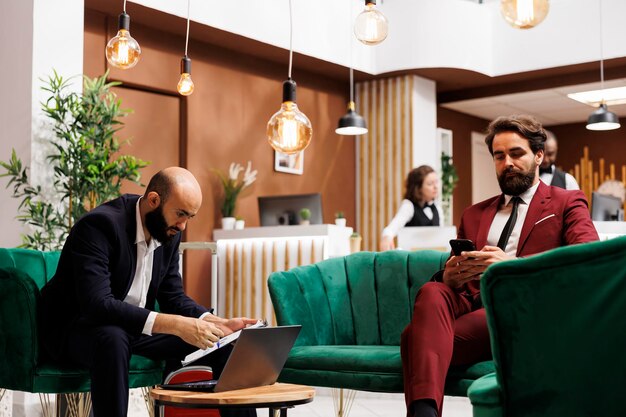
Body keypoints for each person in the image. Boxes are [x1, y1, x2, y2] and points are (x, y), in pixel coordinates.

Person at [401, 116, 599, 417]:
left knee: (413, 337)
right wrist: (450, 276)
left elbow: (586, 258)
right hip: (470, 301)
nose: (507, 162)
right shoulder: (473, 213)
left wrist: (514, 265)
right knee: (432, 289)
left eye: (516, 153)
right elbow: (458, 272)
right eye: (499, 155)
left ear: (538, 155)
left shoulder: (566, 201)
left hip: (524, 309)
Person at [39, 167, 257, 417]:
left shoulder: (169, 231)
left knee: (220, 345)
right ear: (154, 200)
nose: (183, 225)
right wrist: (175, 325)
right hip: (77, 327)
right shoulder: (99, 226)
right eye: (180, 214)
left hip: (132, 327)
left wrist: (215, 323)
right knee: (113, 338)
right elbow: (97, 305)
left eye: (190, 217)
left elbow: (173, 297)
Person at [379, 165, 440, 251]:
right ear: (418, 188)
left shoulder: (437, 208)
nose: (436, 187)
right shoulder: (409, 206)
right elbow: (390, 230)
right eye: (430, 184)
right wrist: (386, 238)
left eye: (436, 182)